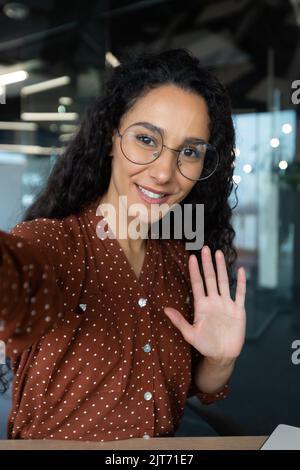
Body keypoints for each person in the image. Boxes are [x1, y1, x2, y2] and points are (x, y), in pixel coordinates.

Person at [0, 49, 246, 441]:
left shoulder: (183, 261)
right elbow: (13, 277)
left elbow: (203, 391)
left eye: (189, 151)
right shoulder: (54, 244)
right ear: (111, 137)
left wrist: (220, 359)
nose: (165, 172)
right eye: (146, 139)